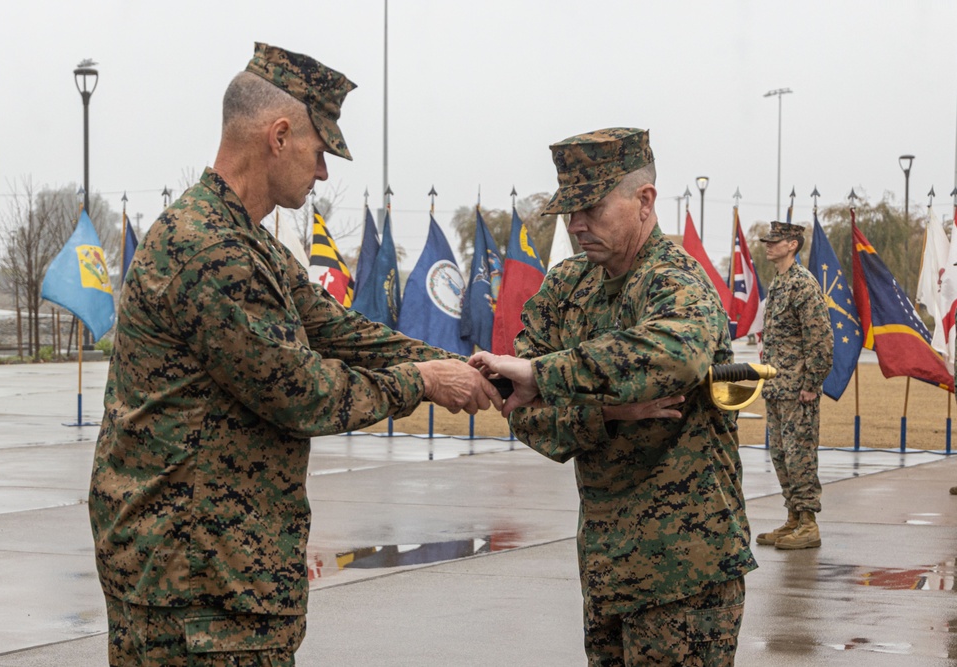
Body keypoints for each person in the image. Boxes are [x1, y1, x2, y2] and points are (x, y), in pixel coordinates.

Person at [88, 43, 500, 665]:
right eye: (320, 151)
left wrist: (474, 369)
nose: (325, 173)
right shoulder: (211, 252)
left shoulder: (243, 243)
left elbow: (341, 333)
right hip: (193, 589)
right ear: (279, 135)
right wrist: (422, 382)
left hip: (214, 577)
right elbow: (302, 393)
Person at [470, 128, 757, 666]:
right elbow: (519, 404)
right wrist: (606, 411)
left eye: (592, 208)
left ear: (644, 201)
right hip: (605, 566)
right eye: (569, 212)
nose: (576, 225)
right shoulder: (566, 287)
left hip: (685, 571)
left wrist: (547, 377)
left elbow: (674, 357)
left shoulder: (677, 283)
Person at [755, 221, 833, 550]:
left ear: (792, 244)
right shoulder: (779, 283)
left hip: (798, 389)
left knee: (800, 455)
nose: (769, 246)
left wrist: (812, 383)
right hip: (777, 387)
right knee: (781, 455)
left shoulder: (803, 284)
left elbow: (821, 340)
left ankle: (809, 523)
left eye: (775, 241)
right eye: (768, 241)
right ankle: (793, 518)